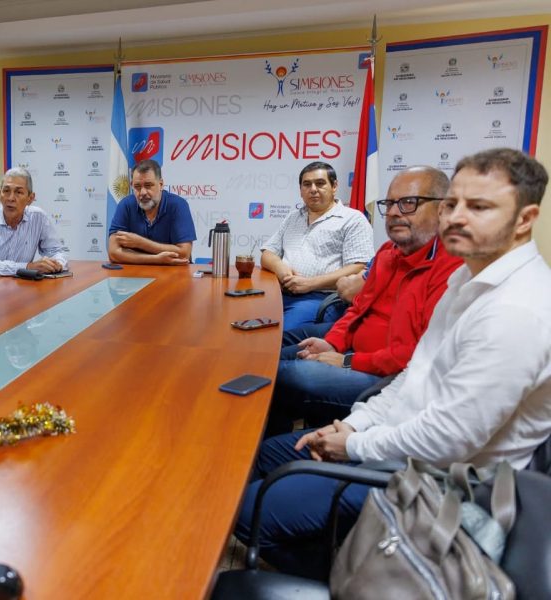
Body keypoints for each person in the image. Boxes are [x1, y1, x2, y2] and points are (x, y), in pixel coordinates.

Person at [235, 148, 551, 577]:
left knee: (248, 510)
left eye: (478, 207)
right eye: (453, 204)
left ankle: (363, 578)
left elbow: (449, 440)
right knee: (266, 455)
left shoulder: (517, 310)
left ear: (525, 219)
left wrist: (353, 445)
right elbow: (412, 376)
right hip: (391, 441)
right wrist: (355, 425)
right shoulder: (467, 279)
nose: (456, 217)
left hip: (434, 485)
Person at [267, 166, 462, 435]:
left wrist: (348, 361)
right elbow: (358, 309)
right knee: (267, 358)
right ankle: (270, 442)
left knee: (279, 375)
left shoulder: (453, 268)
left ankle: (268, 450)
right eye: (389, 204)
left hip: (385, 379)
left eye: (408, 203)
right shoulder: (388, 252)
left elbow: (417, 356)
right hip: (353, 350)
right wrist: (333, 342)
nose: (394, 212)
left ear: (444, 209)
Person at [261, 161, 375, 330]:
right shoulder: (293, 217)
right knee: (241, 318)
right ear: (301, 190)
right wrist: (281, 269)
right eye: (307, 184)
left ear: (334, 186)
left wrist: (310, 283)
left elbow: (359, 267)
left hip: (320, 298)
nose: (313, 189)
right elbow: (268, 253)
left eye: (320, 183)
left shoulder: (353, 219)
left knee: (281, 334)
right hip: (280, 292)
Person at [0, 167, 67, 277]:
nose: (11, 198)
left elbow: (56, 251)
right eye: (6, 191)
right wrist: (28, 267)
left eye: (18, 192)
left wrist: (57, 264)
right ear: (0, 194)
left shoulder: (38, 217)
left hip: (19, 284)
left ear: (30, 198)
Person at [107, 159, 195, 265]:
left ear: (161, 184)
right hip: (136, 272)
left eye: (148, 185)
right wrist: (156, 259)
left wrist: (140, 243)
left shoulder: (178, 205)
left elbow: (184, 254)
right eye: (137, 187)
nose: (143, 192)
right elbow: (113, 253)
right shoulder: (126, 205)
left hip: (174, 272)